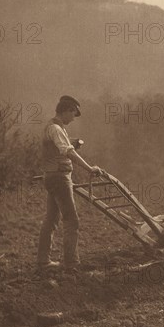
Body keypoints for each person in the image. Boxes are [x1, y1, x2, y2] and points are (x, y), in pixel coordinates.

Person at [36, 95, 107, 273]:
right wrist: (89, 168)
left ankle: (43, 261)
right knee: (72, 221)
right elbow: (67, 151)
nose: (73, 118)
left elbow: (60, 147)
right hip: (60, 177)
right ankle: (71, 264)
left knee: (51, 219)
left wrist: (72, 143)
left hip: (51, 176)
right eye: (73, 114)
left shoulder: (53, 127)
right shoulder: (56, 129)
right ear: (66, 110)